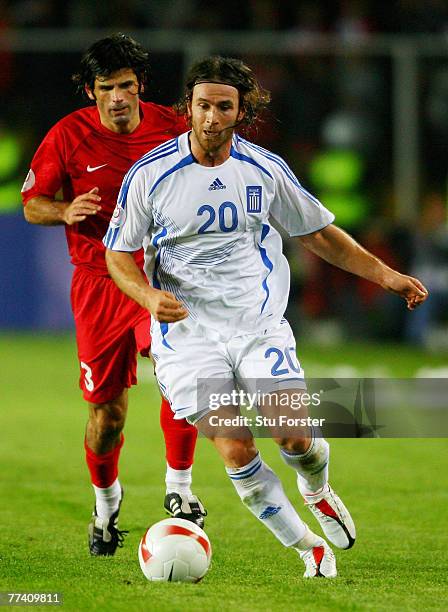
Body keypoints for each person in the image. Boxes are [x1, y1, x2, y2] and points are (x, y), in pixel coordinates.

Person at [104, 56, 428, 577]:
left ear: (241, 112)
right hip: (187, 337)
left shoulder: (263, 169)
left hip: (257, 327)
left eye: (223, 107)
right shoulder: (150, 176)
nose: (211, 117)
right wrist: (146, 297)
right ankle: (308, 549)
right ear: (187, 107)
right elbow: (117, 253)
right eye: (202, 105)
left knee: (294, 438)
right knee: (235, 448)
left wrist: (387, 276)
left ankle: (317, 489)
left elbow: (318, 234)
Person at [21, 34, 206, 557]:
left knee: (181, 376)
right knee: (108, 415)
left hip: (161, 275)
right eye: (108, 87)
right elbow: (32, 203)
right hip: (99, 282)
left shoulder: (174, 129)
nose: (119, 96)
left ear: (141, 86)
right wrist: (63, 210)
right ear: (90, 91)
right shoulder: (67, 136)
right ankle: (105, 509)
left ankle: (181, 491)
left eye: (127, 85)